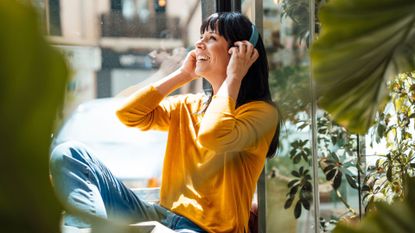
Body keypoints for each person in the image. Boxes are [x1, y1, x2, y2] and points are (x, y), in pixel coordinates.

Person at [50, 12, 280, 233]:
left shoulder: (261, 113)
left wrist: (234, 77)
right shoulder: (190, 105)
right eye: (201, 37)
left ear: (239, 53)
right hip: (161, 217)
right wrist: (181, 75)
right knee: (69, 153)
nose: (199, 44)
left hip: (205, 229)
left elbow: (214, 134)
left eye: (211, 38)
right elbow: (126, 113)